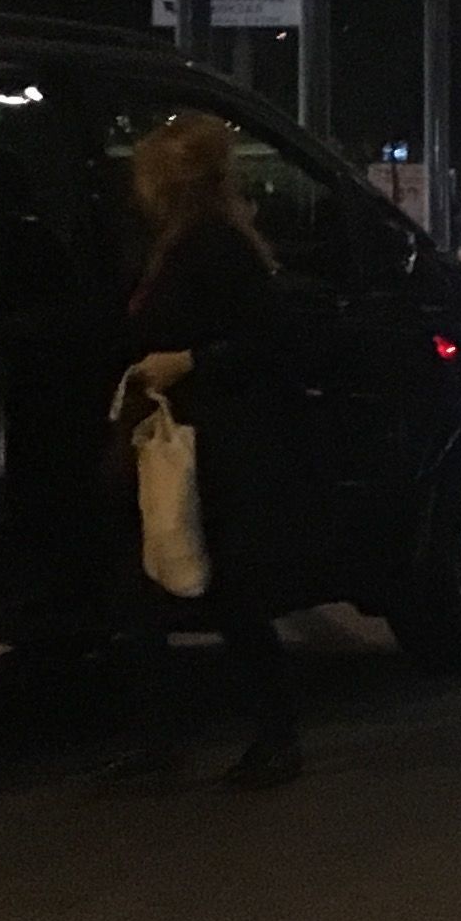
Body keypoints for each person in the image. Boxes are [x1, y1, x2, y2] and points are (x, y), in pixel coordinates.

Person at [110, 113, 304, 787]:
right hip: (190, 437)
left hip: (215, 441)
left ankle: (268, 738)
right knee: (160, 587)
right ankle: (166, 738)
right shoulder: (186, 240)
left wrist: (188, 361)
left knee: (225, 592)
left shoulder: (211, 244)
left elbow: (269, 340)